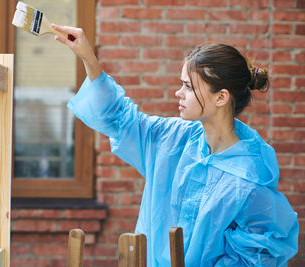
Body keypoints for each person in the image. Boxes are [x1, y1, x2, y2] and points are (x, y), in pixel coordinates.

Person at [51, 24, 299, 266]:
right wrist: (88, 58)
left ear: (221, 97)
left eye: (188, 86)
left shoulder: (250, 177)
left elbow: (259, 256)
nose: (178, 93)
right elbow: (119, 119)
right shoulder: (172, 138)